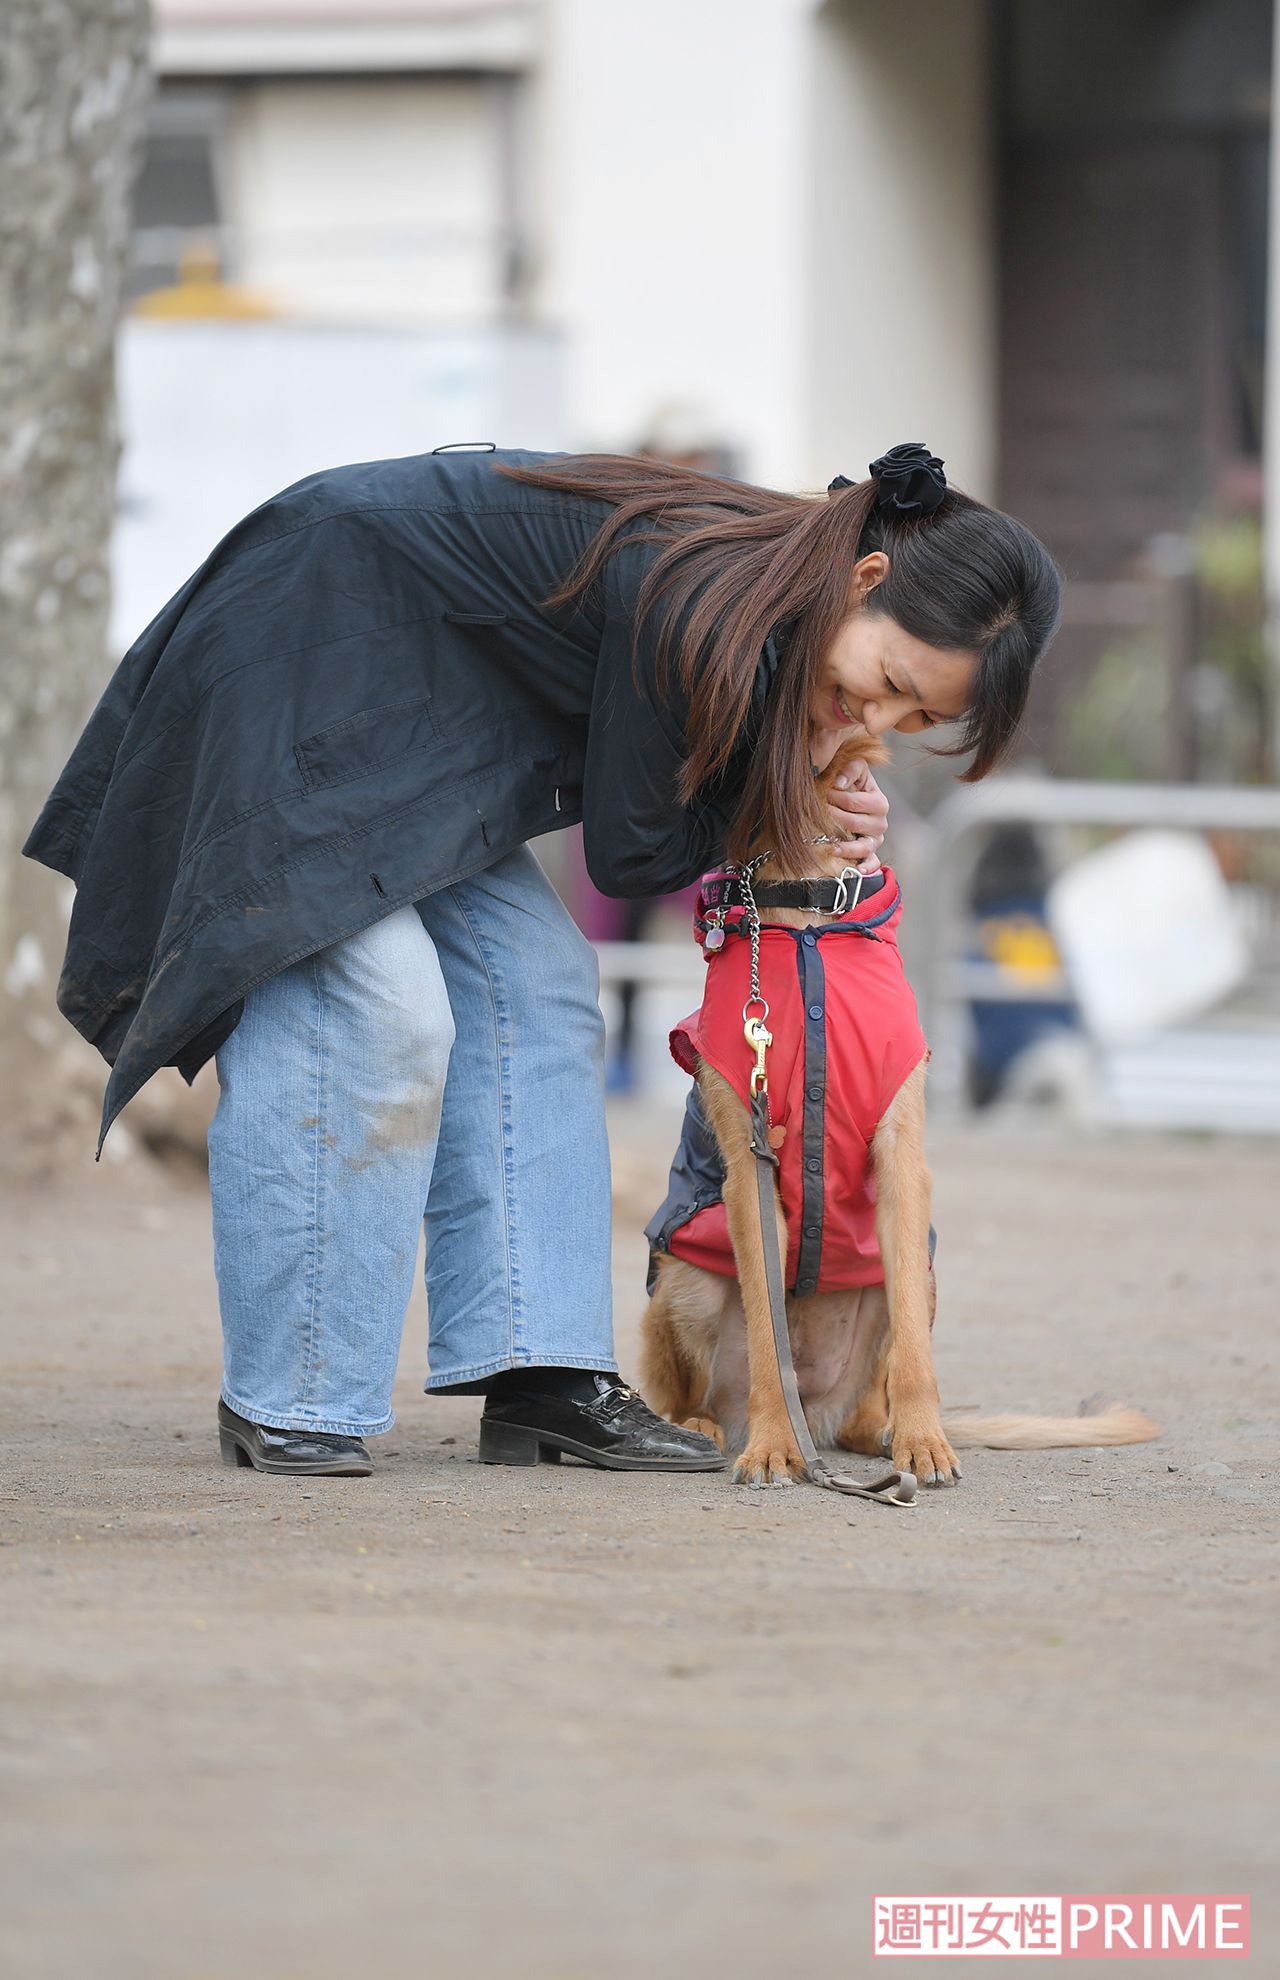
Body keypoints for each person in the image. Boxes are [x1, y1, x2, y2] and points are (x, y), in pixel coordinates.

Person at [22, 440, 1062, 1477]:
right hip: (310, 644)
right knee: (381, 1010)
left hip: (428, 716)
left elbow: (716, 795)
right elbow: (631, 853)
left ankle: (542, 1378)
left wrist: (810, 775)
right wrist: (790, 801)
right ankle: (295, 1396)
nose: (875, 720)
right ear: (864, 581)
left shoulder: (780, 608)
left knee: (538, 985)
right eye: (882, 682)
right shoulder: (699, 594)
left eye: (912, 718)